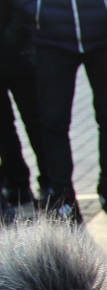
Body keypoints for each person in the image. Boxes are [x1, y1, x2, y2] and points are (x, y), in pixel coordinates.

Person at [17, 0, 107, 224]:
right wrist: (38, 11)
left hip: (102, 35)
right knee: (54, 122)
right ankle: (63, 196)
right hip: (51, 40)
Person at [0, 0, 46, 220]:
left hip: (20, 56)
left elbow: (22, 8)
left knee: (37, 123)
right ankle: (17, 184)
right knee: (3, 130)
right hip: (14, 51)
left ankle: (49, 183)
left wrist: (9, 43)